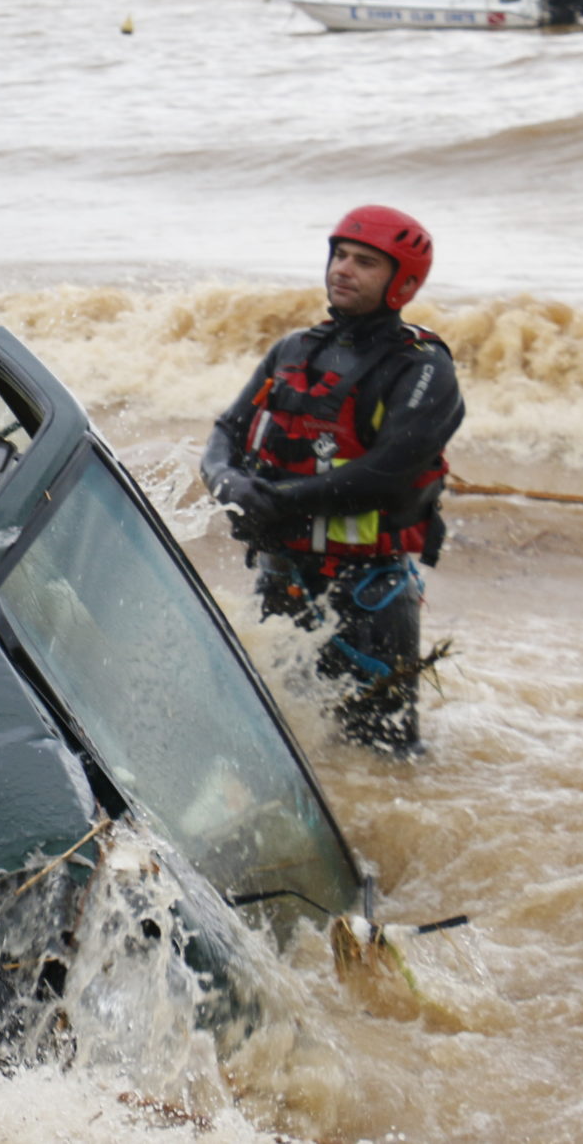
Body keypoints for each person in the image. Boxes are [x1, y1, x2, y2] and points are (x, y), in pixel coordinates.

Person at [200, 206, 462, 754]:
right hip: (280, 581)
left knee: (382, 759)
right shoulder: (294, 348)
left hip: (368, 598)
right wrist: (225, 480)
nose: (343, 269)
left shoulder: (422, 366)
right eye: (340, 255)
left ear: (404, 282)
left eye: (365, 262)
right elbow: (227, 429)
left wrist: (275, 499)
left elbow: (389, 476)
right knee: (280, 746)